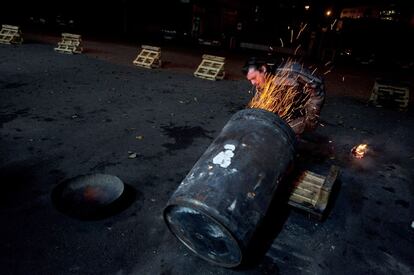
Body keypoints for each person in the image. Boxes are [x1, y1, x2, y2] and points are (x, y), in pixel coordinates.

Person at [242, 57, 325, 135]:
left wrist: (310, 119)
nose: (253, 83)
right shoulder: (261, 84)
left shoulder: (290, 71)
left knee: (289, 130)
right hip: (287, 107)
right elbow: (258, 104)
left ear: (263, 69)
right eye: (250, 80)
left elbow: (318, 86)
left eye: (254, 78)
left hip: (302, 107)